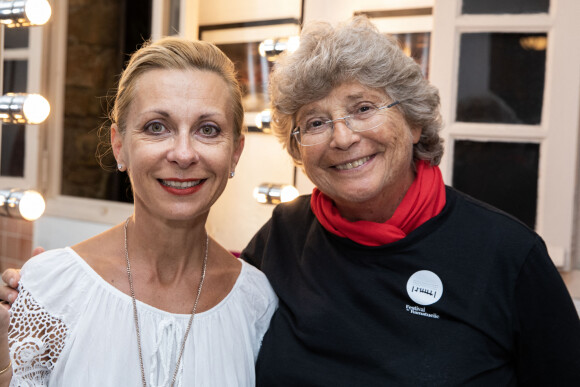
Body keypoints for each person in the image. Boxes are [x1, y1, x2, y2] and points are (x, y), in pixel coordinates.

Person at [2, 16, 580, 385]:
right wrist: (45, 289)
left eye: (363, 107)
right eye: (315, 121)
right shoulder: (283, 238)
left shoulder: (507, 256)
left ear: (411, 116)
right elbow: (189, 297)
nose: (344, 137)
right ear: (297, 146)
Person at [0, 36, 277, 386]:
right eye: (156, 127)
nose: (183, 154)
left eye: (208, 130)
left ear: (235, 152)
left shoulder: (257, 304)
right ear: (120, 146)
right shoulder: (52, 289)